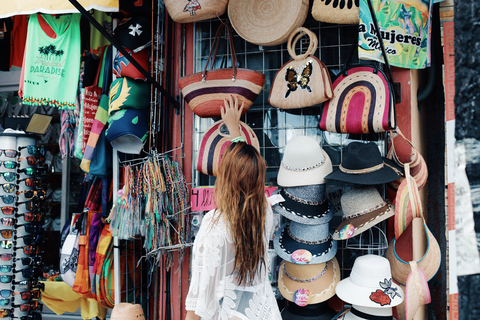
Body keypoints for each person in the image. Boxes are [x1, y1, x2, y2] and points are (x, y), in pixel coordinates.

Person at [185, 96, 282, 320]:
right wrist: (234, 129)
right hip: (262, 312)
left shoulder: (215, 225)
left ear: (224, 177)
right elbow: (247, 171)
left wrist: (233, 130)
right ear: (258, 179)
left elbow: (200, 301)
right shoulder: (264, 213)